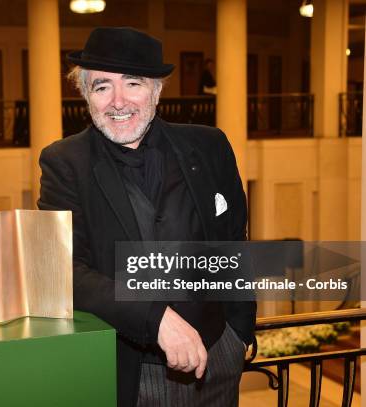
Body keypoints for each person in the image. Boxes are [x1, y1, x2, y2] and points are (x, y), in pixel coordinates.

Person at [37, 27, 256, 407]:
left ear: (156, 90)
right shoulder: (64, 162)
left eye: (133, 83)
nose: (117, 101)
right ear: (86, 95)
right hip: (137, 376)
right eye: (102, 86)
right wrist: (155, 319)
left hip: (219, 361)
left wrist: (240, 333)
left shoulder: (209, 146)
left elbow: (233, 240)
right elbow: (63, 269)